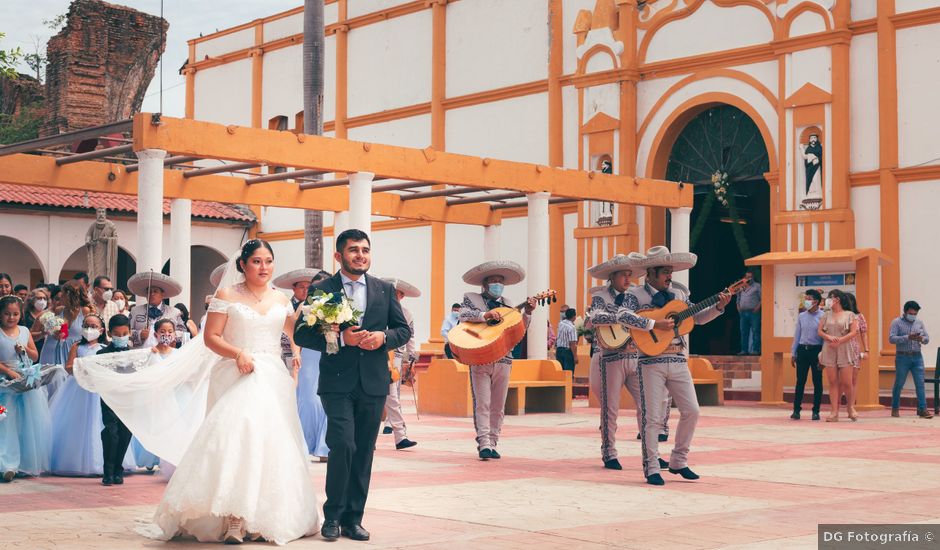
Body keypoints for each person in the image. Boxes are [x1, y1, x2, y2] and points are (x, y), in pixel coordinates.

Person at [74, 239, 321, 544]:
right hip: (236, 371)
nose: (263, 267)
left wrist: (320, 324)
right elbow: (211, 337)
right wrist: (237, 354)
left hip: (272, 376)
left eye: (268, 261)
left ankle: (260, 515)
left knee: (269, 441)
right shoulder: (228, 295)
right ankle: (233, 517)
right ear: (242, 264)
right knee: (236, 435)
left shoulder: (282, 300)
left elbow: (294, 331)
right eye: (256, 261)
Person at [294, 229, 411, 542]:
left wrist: (383, 338)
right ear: (338, 256)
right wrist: (340, 337)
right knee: (343, 445)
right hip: (336, 382)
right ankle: (332, 516)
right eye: (353, 250)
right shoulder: (322, 289)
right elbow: (302, 335)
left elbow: (403, 331)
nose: (360, 255)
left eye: (365, 250)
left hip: (373, 383)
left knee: (363, 453)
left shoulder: (384, 290)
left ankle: (353, 519)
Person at [627, 246, 730, 485]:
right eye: (665, 271)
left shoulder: (680, 295)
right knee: (652, 417)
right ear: (650, 273)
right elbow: (624, 316)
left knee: (692, 410)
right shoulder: (636, 295)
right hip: (650, 361)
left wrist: (719, 306)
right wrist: (653, 323)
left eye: (670, 271)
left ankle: (678, 460)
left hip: (678, 358)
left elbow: (697, 317)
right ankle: (651, 465)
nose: (669, 276)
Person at [585, 254, 671, 471]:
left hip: (635, 355)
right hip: (610, 356)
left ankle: (652, 454)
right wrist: (623, 318)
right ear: (612, 277)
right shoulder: (601, 296)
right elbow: (595, 318)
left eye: (630, 275)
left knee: (646, 405)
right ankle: (609, 452)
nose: (627, 279)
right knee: (610, 407)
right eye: (623, 275)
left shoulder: (636, 296)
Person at [458, 260, 535, 461]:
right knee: (482, 403)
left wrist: (528, 312)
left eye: (500, 281)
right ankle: (483, 443)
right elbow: (463, 315)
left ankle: (493, 442)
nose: (497, 284)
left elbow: (519, 330)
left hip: (504, 358)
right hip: (480, 357)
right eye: (493, 280)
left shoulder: (509, 305)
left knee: (498, 405)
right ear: (484, 284)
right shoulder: (471, 298)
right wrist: (484, 315)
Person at [50, 313, 134, 475]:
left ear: (102, 330)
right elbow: (68, 367)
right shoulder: (76, 346)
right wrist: (82, 368)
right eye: (86, 325)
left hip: (101, 389)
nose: (90, 329)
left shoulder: (104, 349)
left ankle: (108, 464)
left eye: (94, 326)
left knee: (103, 424)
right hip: (79, 388)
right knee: (79, 422)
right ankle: (77, 461)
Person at [0, 295, 52, 481]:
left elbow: (35, 355)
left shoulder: (24, 331)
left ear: (20, 314)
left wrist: (24, 350)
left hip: (25, 381)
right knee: (7, 423)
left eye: (15, 314)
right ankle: (7, 464)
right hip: (5, 383)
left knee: (26, 423)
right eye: (7, 314)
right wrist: (7, 370)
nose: (11, 318)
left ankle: (25, 463)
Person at [130, 319, 180, 472]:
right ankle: (150, 459)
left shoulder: (178, 354)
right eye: (163, 332)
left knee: (170, 426)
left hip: (172, 395)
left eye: (170, 331)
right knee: (153, 425)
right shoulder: (150, 353)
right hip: (153, 396)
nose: (166, 334)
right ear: (156, 334)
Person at [295, 271, 332, 462]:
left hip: (331, 354)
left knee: (328, 401)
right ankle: (306, 443)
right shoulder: (304, 306)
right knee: (309, 401)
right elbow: (293, 333)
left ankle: (325, 447)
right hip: (308, 356)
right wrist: (295, 354)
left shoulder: (337, 307)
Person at [96, 314, 136, 486]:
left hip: (128, 399)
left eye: (124, 334)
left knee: (125, 433)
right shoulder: (101, 353)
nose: (121, 337)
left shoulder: (135, 354)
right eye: (117, 334)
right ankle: (108, 471)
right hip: (109, 398)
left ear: (129, 333)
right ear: (110, 334)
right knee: (111, 433)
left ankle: (118, 469)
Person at [380, 278, 419, 450]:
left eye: (399, 293)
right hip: (375, 354)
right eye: (394, 292)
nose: (396, 296)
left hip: (394, 357)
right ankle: (370, 439)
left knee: (392, 396)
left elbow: (410, 336)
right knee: (372, 397)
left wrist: (412, 357)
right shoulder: (376, 308)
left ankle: (400, 436)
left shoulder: (406, 313)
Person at [35, 283, 90, 402]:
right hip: (52, 350)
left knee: (69, 389)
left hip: (72, 353)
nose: (61, 298)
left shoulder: (85, 311)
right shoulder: (58, 310)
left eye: (63, 295)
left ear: (69, 295)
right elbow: (41, 323)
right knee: (50, 387)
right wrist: (48, 330)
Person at [818, 290, 859, 422]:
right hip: (829, 349)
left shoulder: (850, 315)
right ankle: (834, 411)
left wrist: (840, 340)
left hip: (845, 348)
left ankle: (850, 407)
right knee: (832, 382)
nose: (828, 300)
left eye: (831, 298)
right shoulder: (825, 315)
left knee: (847, 382)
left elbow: (854, 332)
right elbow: (819, 331)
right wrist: (829, 337)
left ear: (837, 299)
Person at [889, 300, 933, 419]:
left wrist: (920, 338)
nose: (913, 316)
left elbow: (927, 338)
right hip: (902, 356)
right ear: (905, 312)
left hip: (917, 356)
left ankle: (923, 409)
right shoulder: (896, 322)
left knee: (920, 384)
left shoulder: (919, 322)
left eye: (915, 313)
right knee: (899, 383)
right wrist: (907, 337)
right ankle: (895, 407)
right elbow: (892, 338)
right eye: (911, 313)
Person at [274, 268, 322, 369]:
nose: (306, 291)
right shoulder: (285, 305)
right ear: (294, 288)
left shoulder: (317, 307)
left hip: (311, 355)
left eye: (309, 287)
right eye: (301, 287)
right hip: (287, 353)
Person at [790, 289, 825, 421]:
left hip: (816, 350)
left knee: (817, 381)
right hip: (802, 350)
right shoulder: (801, 316)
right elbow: (797, 335)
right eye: (806, 298)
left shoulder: (823, 316)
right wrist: (793, 352)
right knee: (800, 381)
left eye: (809, 298)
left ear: (816, 301)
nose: (806, 301)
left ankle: (816, 411)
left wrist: (823, 357)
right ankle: (796, 410)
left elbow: (824, 339)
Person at [126, 273, 186, 349]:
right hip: (140, 354)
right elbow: (125, 332)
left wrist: (169, 335)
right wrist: (139, 334)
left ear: (162, 294)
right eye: (149, 291)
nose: (152, 294)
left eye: (155, 291)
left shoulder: (175, 312)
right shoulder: (135, 311)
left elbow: (183, 333)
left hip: (165, 355)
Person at [736, 271, 761, 355]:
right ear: (744, 277)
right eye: (747, 277)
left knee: (755, 331)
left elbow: (762, 298)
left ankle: (755, 350)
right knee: (743, 332)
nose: (748, 278)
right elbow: (738, 299)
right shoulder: (741, 286)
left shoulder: (757, 286)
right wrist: (738, 308)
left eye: (750, 277)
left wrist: (757, 307)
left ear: (753, 277)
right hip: (743, 313)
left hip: (753, 312)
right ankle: (744, 350)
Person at [25, 288, 51, 352]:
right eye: (39, 298)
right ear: (32, 299)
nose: (42, 301)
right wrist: (41, 333)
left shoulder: (50, 315)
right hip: (30, 349)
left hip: (46, 349)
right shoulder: (25, 316)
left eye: (44, 298)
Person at [555, 307, 578, 373]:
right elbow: (572, 343)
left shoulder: (560, 323)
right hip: (567, 352)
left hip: (559, 350)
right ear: (574, 316)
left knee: (560, 372)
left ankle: (562, 384)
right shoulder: (572, 327)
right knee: (568, 373)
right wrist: (575, 356)